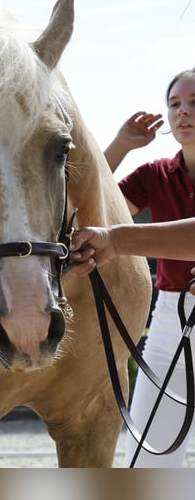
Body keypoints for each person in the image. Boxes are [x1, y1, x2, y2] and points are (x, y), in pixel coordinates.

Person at [70, 68, 195, 467]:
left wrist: (118, 241)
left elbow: (112, 234)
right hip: (170, 322)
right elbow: (86, 209)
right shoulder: (155, 175)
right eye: (174, 104)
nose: (183, 113)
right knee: (146, 462)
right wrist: (120, 145)